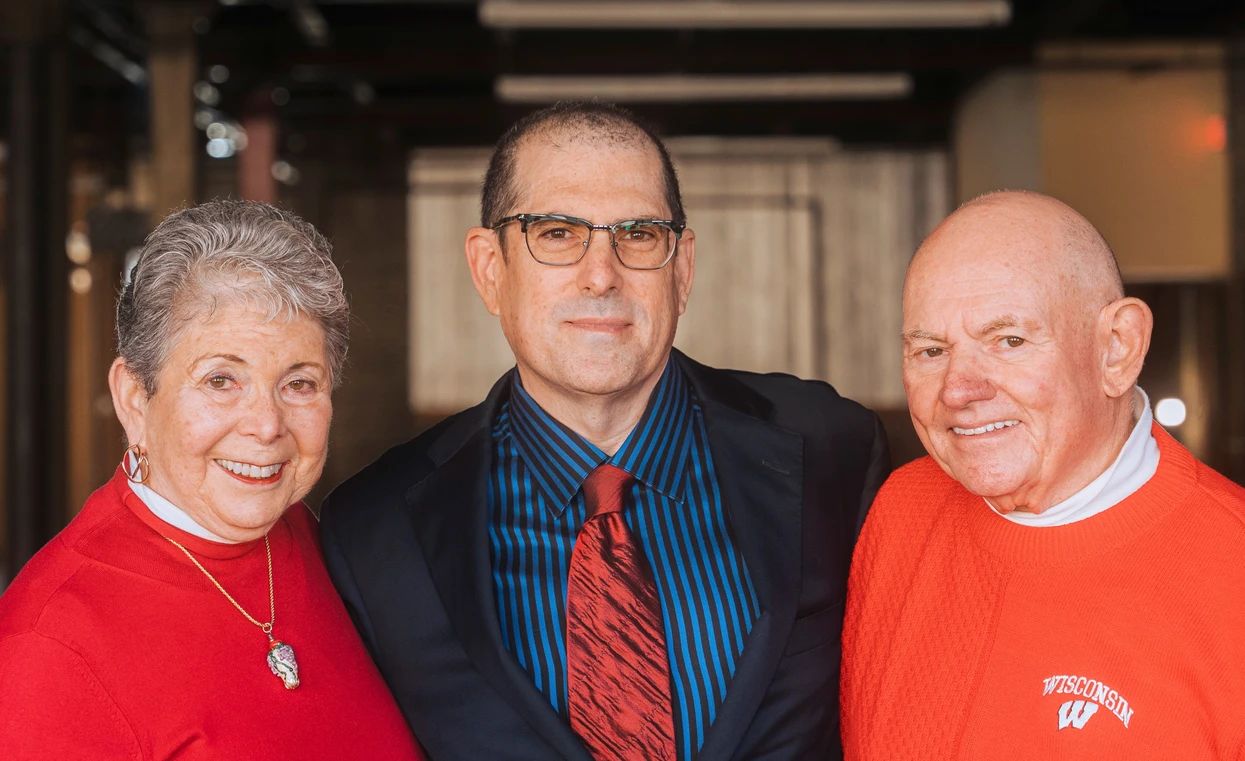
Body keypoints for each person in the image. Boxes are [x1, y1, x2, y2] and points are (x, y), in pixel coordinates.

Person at [320, 100, 890, 761]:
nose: (601, 274)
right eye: (556, 233)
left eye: (639, 234)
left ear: (680, 269)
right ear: (489, 269)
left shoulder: (832, 451)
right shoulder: (374, 530)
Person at [0, 201, 424, 760]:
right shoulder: (49, 648)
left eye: (299, 383)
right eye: (221, 379)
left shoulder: (314, 537)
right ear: (134, 398)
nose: (267, 426)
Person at [840, 191, 1245, 758]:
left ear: (1117, 349)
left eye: (1008, 341)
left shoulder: (1233, 570)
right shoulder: (900, 512)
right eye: (930, 351)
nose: (958, 391)